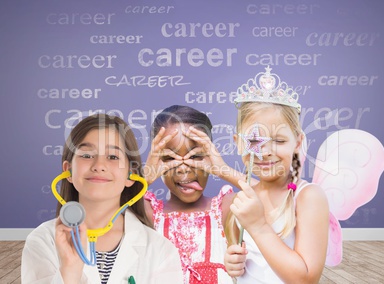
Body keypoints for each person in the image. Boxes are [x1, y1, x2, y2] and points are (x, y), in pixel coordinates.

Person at [21, 113, 183, 284]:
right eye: (86, 155)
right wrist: (69, 270)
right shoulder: (42, 241)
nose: (99, 166)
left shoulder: (160, 250)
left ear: (131, 175)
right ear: (68, 170)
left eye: (113, 157)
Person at [224, 67, 330, 283]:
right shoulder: (241, 200)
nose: (265, 151)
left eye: (279, 141)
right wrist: (232, 263)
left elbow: (306, 279)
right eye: (255, 140)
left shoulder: (307, 197)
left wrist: (259, 226)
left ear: (297, 142)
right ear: (238, 143)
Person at [144, 105, 246, 284]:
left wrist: (223, 170)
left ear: (210, 155)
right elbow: (103, 211)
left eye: (196, 156)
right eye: (170, 158)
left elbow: (272, 199)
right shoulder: (148, 213)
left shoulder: (226, 208)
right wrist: (144, 179)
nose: (183, 168)